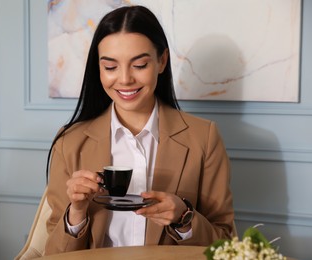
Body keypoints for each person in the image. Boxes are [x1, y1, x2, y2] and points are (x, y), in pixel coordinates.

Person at [44, 5, 234, 255]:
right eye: (110, 67)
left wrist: (183, 217)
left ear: (162, 61)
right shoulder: (69, 142)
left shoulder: (204, 138)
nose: (124, 79)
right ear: (98, 69)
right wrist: (76, 212)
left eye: (140, 65)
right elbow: (54, 254)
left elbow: (226, 244)